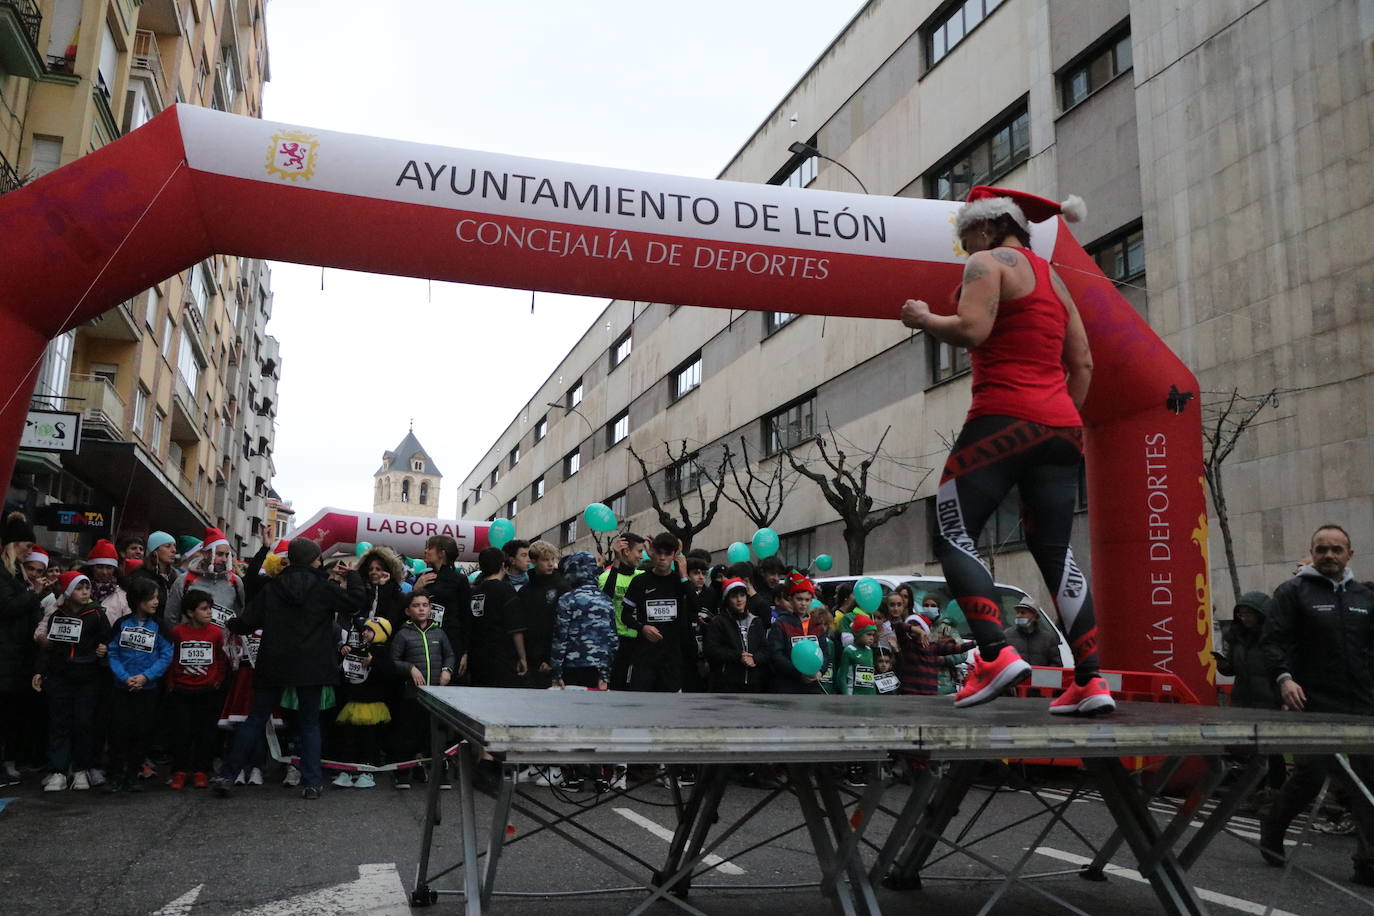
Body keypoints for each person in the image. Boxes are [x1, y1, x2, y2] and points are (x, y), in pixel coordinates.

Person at [900, 185, 1109, 715]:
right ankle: (1091, 680)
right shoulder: (1056, 280)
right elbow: (1082, 364)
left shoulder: (988, 263)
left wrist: (924, 318)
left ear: (989, 226)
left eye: (964, 233)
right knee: (1056, 550)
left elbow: (973, 330)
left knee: (951, 530)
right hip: (1061, 428)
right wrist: (1064, 422)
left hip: (1002, 417)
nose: (962, 246)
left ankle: (995, 654)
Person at [1260, 525, 1374, 885]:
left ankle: (1368, 863)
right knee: (1308, 779)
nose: (1329, 555)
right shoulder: (1294, 592)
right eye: (1321, 548)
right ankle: (1273, 824)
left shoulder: (1365, 597)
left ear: (1349, 554)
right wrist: (1284, 678)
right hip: (1313, 703)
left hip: (1362, 706)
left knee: (1367, 785)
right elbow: (1273, 641)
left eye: (1336, 549)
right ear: (1312, 552)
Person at [211, 537, 364, 800]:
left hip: (274, 662)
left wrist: (232, 623)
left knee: (256, 719)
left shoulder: (273, 587)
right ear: (315, 559)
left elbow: (247, 623)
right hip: (312, 664)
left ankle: (228, 773)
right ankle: (312, 782)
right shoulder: (324, 587)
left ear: (291, 559)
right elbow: (354, 603)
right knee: (309, 724)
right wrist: (355, 576)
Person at [34, 571, 111, 792]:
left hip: (88, 676)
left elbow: (108, 638)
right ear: (68, 592)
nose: (85, 591)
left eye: (87, 587)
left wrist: (104, 649)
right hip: (60, 675)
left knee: (84, 723)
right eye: (79, 587)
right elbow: (49, 648)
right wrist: (40, 671)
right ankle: (58, 770)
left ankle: (80, 769)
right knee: (59, 723)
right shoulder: (56, 614)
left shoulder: (96, 613)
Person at [1213, 591, 1285, 803]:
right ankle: (1257, 788)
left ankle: (1275, 788)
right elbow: (1234, 669)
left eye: (1248, 614)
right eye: (1241, 614)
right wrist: (1223, 665)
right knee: (1251, 748)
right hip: (1244, 698)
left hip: (1268, 699)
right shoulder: (1237, 638)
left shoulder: (1273, 639)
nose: (1244, 618)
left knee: (1271, 748)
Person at [103, 577, 173, 793]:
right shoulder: (121, 624)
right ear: (138, 599)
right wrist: (124, 677)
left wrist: (146, 677)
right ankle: (115, 774)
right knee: (118, 731)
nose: (156, 602)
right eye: (151, 598)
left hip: (148, 689)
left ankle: (133, 773)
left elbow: (166, 654)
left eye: (157, 598)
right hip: (121, 688)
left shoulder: (160, 626)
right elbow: (112, 652)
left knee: (142, 732)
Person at [389, 591, 455, 789]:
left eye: (425, 605)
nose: (421, 609)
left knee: (434, 734)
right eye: (416, 605)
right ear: (408, 611)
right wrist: (410, 668)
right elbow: (393, 660)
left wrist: (447, 670)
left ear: (430, 609)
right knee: (408, 733)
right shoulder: (403, 634)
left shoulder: (439, 632)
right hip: (412, 694)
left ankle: (439, 772)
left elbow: (450, 654)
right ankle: (403, 772)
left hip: (436, 694)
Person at [619, 533, 699, 693]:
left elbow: (696, 607)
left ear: (674, 555)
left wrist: (683, 575)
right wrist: (642, 628)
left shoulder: (679, 581)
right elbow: (625, 616)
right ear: (652, 553)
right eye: (659, 553)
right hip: (644, 659)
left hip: (672, 660)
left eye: (667, 554)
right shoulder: (640, 581)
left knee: (669, 709)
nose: (662, 558)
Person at [166, 588, 228, 789]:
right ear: (190, 613)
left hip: (207, 690)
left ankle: (202, 770)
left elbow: (221, 659)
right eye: (204, 609)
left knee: (206, 732)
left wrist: (218, 679)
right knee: (181, 732)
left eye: (210, 608)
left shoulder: (216, 633)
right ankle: (180, 770)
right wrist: (171, 682)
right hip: (182, 690)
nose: (209, 612)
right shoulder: (177, 632)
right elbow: (171, 658)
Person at [1, 514, 46, 782]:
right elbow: (6, 608)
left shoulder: (16, 572)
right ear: (13, 544)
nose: (30, 552)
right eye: (27, 546)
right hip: (6, 653)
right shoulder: (4, 573)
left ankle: (10, 758)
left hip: (17, 654)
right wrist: (33, 595)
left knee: (13, 711)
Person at [332, 617, 396, 789]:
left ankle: (367, 771)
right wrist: (344, 650)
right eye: (364, 629)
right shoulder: (360, 647)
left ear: (381, 632)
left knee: (370, 739)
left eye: (369, 630)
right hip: (354, 701)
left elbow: (390, 670)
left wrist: (373, 662)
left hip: (372, 703)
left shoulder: (384, 650)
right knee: (350, 738)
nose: (364, 632)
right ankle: (347, 770)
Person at [550, 551, 618, 690]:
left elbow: (560, 639)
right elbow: (612, 641)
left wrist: (556, 674)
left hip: (572, 667)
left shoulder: (567, 599)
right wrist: (605, 676)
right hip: (599, 668)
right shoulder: (606, 600)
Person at [465, 547, 526, 687]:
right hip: (501, 657)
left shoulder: (474, 591)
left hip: (477, 657)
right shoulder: (506, 590)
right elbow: (515, 627)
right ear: (503, 566)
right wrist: (522, 657)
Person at [416, 534, 471, 683]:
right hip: (424, 641)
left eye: (430, 548)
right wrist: (416, 588)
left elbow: (467, 617)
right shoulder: (424, 577)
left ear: (442, 553)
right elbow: (411, 608)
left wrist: (465, 652)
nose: (425, 551)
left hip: (451, 642)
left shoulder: (459, 580)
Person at [767, 572, 832, 694]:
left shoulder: (816, 624)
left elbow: (824, 653)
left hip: (813, 685)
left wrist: (820, 671)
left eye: (807, 600)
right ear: (791, 599)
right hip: (789, 686)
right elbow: (776, 655)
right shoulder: (781, 623)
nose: (803, 603)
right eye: (799, 599)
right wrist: (798, 673)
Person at [599, 532, 646, 690]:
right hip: (616, 642)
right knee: (616, 687)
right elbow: (604, 600)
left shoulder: (643, 577)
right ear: (626, 551)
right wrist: (617, 560)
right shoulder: (606, 577)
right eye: (639, 551)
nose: (642, 556)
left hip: (641, 640)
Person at [704, 578, 767, 693]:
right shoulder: (718, 622)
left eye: (742, 595)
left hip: (754, 682)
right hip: (726, 684)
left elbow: (765, 649)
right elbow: (711, 650)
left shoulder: (756, 621)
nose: (739, 600)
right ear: (727, 599)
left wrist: (755, 658)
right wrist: (738, 656)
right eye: (734, 596)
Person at [515, 540, 563, 689]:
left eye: (552, 559)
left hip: (555, 658)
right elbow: (523, 625)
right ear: (534, 561)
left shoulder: (562, 586)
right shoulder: (525, 591)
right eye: (545, 560)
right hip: (531, 659)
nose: (550, 564)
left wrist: (551, 659)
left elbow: (561, 626)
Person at [896, 612, 976, 696]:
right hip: (910, 692)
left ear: (924, 628)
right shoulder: (907, 645)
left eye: (917, 625)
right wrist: (917, 630)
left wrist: (974, 643)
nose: (913, 627)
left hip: (929, 693)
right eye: (911, 626)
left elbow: (958, 648)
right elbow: (898, 626)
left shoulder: (934, 647)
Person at [357, 545, 406, 628]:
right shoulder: (363, 592)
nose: (373, 572)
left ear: (387, 572)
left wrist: (383, 587)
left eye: (378, 569)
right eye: (370, 569)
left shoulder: (397, 596)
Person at [1003, 598, 1062, 667]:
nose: (1018, 616)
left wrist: (1042, 675)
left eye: (1022, 613)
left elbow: (1056, 665)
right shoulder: (1007, 635)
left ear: (1035, 617)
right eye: (1017, 613)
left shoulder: (1048, 639)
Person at [836, 614, 880, 696]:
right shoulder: (849, 651)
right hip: (853, 694)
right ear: (859, 634)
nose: (872, 638)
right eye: (868, 634)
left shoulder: (869, 650)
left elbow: (871, 675)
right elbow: (842, 677)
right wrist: (846, 695)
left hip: (869, 695)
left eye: (873, 635)